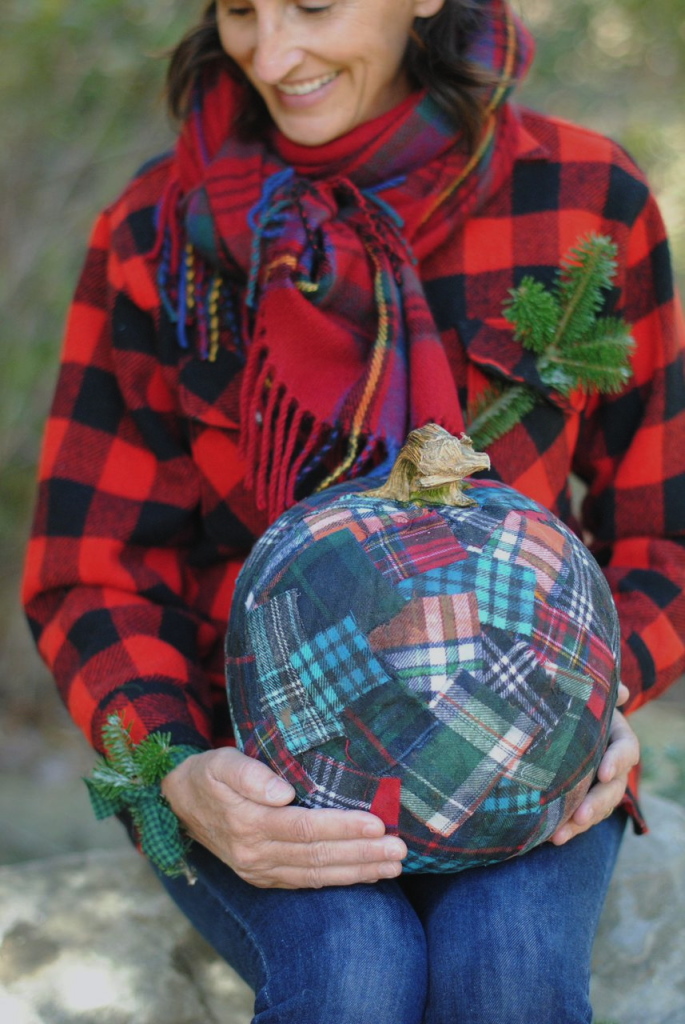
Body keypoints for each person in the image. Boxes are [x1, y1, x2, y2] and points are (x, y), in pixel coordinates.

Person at [22, 1, 685, 1021]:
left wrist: (599, 692)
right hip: (250, 758)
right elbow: (91, 565)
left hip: (518, 743)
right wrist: (181, 767)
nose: (271, 55)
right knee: (352, 970)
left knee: (505, 971)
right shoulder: (157, 236)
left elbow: (663, 528)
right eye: (240, 11)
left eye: (313, 6)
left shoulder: (583, 196)